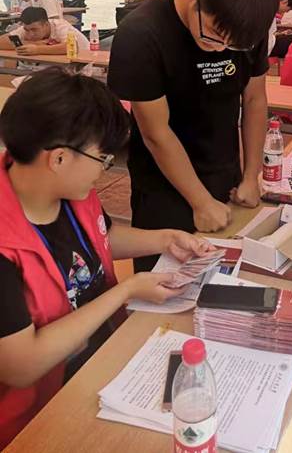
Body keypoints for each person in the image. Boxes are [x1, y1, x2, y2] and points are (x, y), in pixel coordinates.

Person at [0, 68, 213, 449]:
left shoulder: (67, 192)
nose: (104, 169)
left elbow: (100, 238)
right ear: (59, 158)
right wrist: (126, 290)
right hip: (38, 414)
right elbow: (22, 365)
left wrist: (165, 240)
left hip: (102, 360)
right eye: (102, 157)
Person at [108, 0, 280, 273]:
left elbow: (255, 99)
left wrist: (250, 175)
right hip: (165, 185)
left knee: (226, 279)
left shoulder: (246, 27)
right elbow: (155, 133)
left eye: (233, 45)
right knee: (164, 285)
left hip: (225, 174)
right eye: (213, 35)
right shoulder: (141, 34)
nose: (221, 48)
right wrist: (199, 201)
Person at [0, 7, 90, 55]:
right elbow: (1, 41)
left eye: (34, 30)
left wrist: (37, 49)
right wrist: (34, 43)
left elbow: (71, 46)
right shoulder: (27, 27)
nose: (30, 34)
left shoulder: (61, 26)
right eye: (27, 30)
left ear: (46, 24)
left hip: (83, 64)